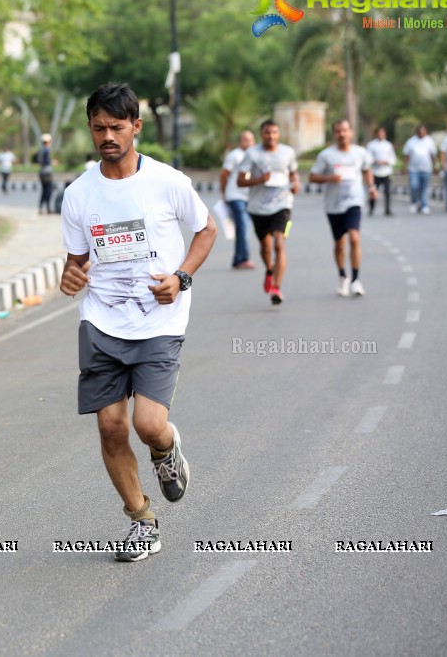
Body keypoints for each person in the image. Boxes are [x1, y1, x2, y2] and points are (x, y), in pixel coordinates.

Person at [60, 83, 217, 562]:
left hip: (159, 320)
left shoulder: (168, 182)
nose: (107, 136)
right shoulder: (79, 193)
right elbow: (77, 262)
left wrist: (182, 276)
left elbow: (206, 229)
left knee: (149, 425)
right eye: (98, 128)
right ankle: (142, 520)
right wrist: (69, 276)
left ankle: (166, 450)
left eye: (116, 127)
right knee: (111, 427)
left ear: (136, 127)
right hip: (102, 321)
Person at [309, 119, 376, 297]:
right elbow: (313, 177)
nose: (342, 134)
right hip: (333, 204)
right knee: (339, 244)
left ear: (351, 132)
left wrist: (371, 187)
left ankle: (355, 279)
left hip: (354, 201)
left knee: (354, 238)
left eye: (345, 131)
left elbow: (367, 170)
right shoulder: (326, 155)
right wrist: (330, 178)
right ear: (334, 134)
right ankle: (342, 276)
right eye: (338, 131)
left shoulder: (360, 152)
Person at [237, 119, 300, 305]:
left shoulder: (288, 152)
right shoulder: (252, 154)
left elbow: (294, 174)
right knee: (265, 247)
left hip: (283, 205)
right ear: (261, 134)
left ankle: (276, 288)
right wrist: (258, 180)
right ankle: (270, 270)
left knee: (279, 244)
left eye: (274, 132)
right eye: (267, 132)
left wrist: (296, 184)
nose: (271, 136)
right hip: (258, 207)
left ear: (278, 134)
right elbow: (240, 181)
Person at [219, 130, 256, 270]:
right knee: (243, 226)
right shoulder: (234, 156)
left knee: (243, 228)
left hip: (249, 197)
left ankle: (238, 259)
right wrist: (224, 193)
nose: (248, 142)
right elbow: (224, 175)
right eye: (245, 139)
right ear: (240, 141)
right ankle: (243, 258)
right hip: (235, 196)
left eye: (251, 140)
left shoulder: (254, 155)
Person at [402, 124, 437, 215]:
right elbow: (406, 155)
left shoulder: (429, 141)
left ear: (426, 132)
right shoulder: (411, 141)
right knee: (414, 186)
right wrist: (404, 167)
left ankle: (424, 205)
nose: (421, 133)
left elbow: (433, 155)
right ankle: (414, 203)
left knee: (424, 189)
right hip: (414, 169)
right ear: (417, 132)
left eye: (423, 131)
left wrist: (435, 166)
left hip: (426, 169)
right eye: (420, 131)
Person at [365, 127, 396, 216]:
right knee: (373, 191)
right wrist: (375, 161)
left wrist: (387, 162)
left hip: (386, 172)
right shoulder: (371, 145)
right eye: (379, 133)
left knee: (388, 192)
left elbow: (392, 157)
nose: (380, 135)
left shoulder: (388, 145)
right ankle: (371, 208)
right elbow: (368, 157)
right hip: (375, 172)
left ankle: (387, 209)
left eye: (382, 133)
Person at [36, 133, 54, 214]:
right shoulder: (46, 150)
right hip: (47, 173)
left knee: (44, 190)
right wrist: (52, 162)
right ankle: (47, 207)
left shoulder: (41, 150)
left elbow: (37, 160)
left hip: (42, 173)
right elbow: (46, 161)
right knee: (48, 191)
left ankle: (41, 207)